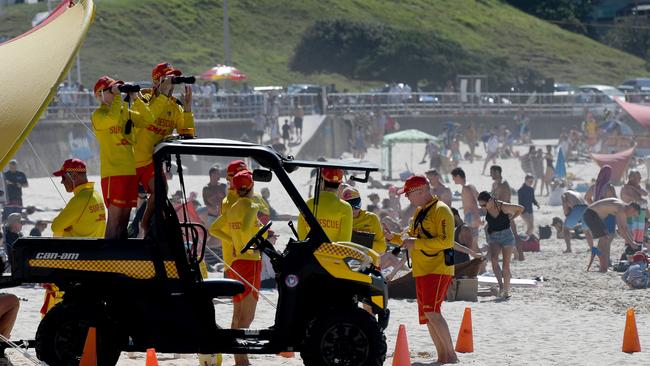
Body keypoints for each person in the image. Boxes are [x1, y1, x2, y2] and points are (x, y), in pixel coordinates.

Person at [385, 175, 457, 364]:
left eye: (408, 193)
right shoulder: (419, 212)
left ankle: (451, 355)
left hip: (438, 268)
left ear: (421, 190)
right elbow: (408, 237)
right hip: (422, 270)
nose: (407, 197)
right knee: (428, 315)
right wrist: (391, 237)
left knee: (433, 312)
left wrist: (416, 243)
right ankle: (443, 356)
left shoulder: (442, 210)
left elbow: (447, 241)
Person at [209, 170, 264, 366]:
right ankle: (242, 360)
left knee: (237, 314)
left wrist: (232, 241)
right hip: (250, 262)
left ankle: (240, 358)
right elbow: (246, 226)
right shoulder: (250, 205)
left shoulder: (232, 208)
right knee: (247, 317)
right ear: (251, 187)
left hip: (235, 263)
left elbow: (213, 229)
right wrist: (254, 210)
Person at [92, 75, 155, 239]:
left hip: (129, 172)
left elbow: (149, 120)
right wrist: (119, 96)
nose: (115, 94)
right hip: (113, 172)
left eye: (117, 90)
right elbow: (111, 120)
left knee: (125, 219)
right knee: (114, 220)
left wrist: (136, 98)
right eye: (111, 90)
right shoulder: (98, 115)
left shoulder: (124, 111)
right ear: (100, 94)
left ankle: (120, 258)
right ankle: (108, 257)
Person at [135, 62, 194, 234]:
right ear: (156, 81)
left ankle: (144, 225)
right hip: (132, 159)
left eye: (173, 79)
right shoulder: (145, 97)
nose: (172, 83)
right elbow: (147, 117)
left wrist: (188, 108)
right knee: (122, 207)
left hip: (151, 162)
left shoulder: (175, 107)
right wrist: (161, 95)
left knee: (161, 192)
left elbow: (187, 133)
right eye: (168, 78)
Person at [44, 159, 106, 315]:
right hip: (93, 258)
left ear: (74, 176)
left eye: (64, 177)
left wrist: (66, 227)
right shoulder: (96, 195)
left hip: (76, 262)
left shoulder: (80, 199)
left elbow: (55, 226)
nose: (61, 182)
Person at [477, 191, 523, 299]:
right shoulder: (487, 208)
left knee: (505, 266)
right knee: (493, 260)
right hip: (494, 237)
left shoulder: (502, 206)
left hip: (507, 236)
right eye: (481, 205)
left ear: (490, 200)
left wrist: (512, 218)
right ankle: (501, 287)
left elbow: (520, 208)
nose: (483, 207)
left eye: (484, 204)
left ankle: (506, 291)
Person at [583, 198, 641, 272]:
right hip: (591, 214)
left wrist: (633, 242)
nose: (631, 216)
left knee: (605, 239)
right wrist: (632, 244)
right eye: (633, 214)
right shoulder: (621, 208)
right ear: (631, 208)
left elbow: (625, 228)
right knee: (604, 239)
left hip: (594, 215)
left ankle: (597, 255)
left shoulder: (623, 207)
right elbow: (620, 229)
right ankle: (603, 267)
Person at [297, 168, 353, 243]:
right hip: (333, 254)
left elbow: (301, 238)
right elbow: (345, 242)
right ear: (340, 184)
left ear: (322, 182)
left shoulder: (308, 204)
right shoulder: (345, 207)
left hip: (309, 253)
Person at [451, 167, 480, 258]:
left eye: (454, 177)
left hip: (471, 217)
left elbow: (473, 203)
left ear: (458, 176)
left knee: (472, 246)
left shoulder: (466, 188)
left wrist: (475, 217)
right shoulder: (470, 186)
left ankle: (482, 267)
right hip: (473, 216)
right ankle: (482, 269)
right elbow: (478, 197)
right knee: (474, 246)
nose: (453, 180)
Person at [450, 208, 484, 278]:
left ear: (456, 217)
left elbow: (470, 247)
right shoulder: (457, 229)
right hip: (458, 266)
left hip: (461, 266)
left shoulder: (465, 229)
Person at [620, 170, 648, 244]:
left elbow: (645, 193)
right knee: (631, 232)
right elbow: (636, 200)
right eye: (638, 177)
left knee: (639, 233)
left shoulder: (636, 187)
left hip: (638, 213)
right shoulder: (625, 188)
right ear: (632, 178)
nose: (640, 178)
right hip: (630, 214)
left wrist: (634, 188)